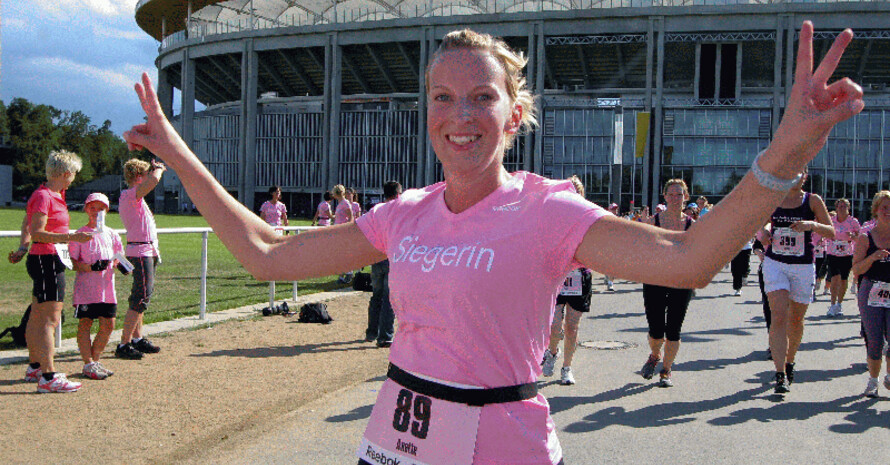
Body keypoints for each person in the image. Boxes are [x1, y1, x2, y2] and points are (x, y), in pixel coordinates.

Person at [124, 22, 862, 464]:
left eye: (482, 96)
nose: (460, 113)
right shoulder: (405, 213)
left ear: (513, 117)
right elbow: (265, 253)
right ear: (427, 112)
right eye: (443, 96)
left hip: (501, 440)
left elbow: (688, 259)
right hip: (397, 437)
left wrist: (785, 153)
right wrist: (179, 153)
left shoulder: (546, 211)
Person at [759, 167, 834, 394]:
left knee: (795, 320)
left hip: (802, 265)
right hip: (776, 263)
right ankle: (780, 373)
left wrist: (812, 225)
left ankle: (790, 361)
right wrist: (762, 232)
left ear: (805, 176)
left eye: (800, 173)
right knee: (779, 316)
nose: (795, 176)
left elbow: (831, 231)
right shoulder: (773, 197)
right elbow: (760, 222)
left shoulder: (813, 201)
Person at [22, 150, 93, 393]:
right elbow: (38, 231)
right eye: (73, 174)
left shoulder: (52, 194)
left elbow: (28, 223)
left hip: (46, 259)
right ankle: (48, 376)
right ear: (66, 173)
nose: (74, 178)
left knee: (37, 315)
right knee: (49, 319)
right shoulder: (45, 196)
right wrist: (71, 237)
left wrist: (23, 247)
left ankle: (36, 367)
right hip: (47, 259)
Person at [640, 179, 696, 387]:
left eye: (679, 194)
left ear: (685, 197)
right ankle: (655, 355)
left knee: (673, 329)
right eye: (671, 194)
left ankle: (666, 370)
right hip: (655, 280)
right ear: (664, 197)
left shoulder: (692, 226)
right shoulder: (653, 222)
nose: (675, 198)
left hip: (681, 282)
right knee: (656, 329)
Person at [541, 175, 594, 386]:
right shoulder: (554, 217)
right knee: (554, 326)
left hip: (580, 276)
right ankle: (552, 352)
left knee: (572, 326)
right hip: (558, 275)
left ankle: (567, 367)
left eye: (576, 192)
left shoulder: (589, 216)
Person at [70, 193, 126, 380]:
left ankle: (95, 360)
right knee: (85, 323)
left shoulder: (112, 234)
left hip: (107, 289)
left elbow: (119, 257)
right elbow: (71, 261)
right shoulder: (81, 234)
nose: (96, 212)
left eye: (100, 208)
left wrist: (123, 266)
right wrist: (90, 267)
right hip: (86, 290)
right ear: (86, 209)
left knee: (108, 325)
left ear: (107, 211)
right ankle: (88, 363)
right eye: (92, 208)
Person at [115, 158, 165, 360]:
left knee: (142, 297)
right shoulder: (129, 195)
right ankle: (124, 343)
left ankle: (137, 338)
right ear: (138, 176)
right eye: (145, 174)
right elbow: (152, 182)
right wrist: (159, 169)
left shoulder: (136, 197)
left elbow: (149, 183)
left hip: (147, 251)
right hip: (140, 252)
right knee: (140, 297)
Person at [851, 191, 890, 397]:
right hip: (871, 291)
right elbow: (856, 269)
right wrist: (873, 257)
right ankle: (873, 381)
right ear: (876, 210)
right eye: (884, 207)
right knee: (874, 339)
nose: (888, 212)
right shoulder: (866, 237)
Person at [365, 181, 402, 348]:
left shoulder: (376, 210)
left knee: (376, 296)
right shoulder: (400, 210)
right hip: (391, 256)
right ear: (397, 194)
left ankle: (371, 332)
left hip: (376, 256)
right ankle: (385, 335)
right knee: (388, 298)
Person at [826, 198, 860, 316]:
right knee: (835, 278)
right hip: (833, 252)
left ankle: (839, 304)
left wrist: (852, 236)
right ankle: (832, 304)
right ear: (836, 208)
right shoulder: (831, 221)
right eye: (840, 206)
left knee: (844, 279)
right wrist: (829, 237)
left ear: (848, 208)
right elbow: (825, 233)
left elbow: (859, 237)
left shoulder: (853, 221)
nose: (842, 209)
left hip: (846, 253)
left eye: (844, 206)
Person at [331, 184, 355, 283]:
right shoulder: (340, 204)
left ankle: (349, 273)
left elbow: (351, 218)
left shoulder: (345, 203)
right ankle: (342, 275)